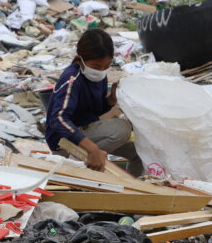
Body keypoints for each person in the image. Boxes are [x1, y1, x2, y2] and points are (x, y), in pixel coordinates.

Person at [44, 28, 142, 175]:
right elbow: (58, 119)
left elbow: (93, 111)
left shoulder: (99, 76)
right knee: (122, 128)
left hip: (87, 132)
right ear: (79, 60)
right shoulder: (72, 79)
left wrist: (111, 100)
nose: (101, 70)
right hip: (64, 141)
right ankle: (79, 161)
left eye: (106, 66)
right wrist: (93, 149)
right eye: (96, 66)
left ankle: (134, 185)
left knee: (139, 153)